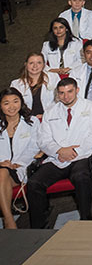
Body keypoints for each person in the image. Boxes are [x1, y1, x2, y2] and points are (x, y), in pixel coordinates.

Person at [29, 78, 92, 228]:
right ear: (58, 94)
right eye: (62, 93)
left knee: (80, 177)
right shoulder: (51, 112)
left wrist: (75, 150)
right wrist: (59, 151)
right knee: (34, 183)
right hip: (57, 158)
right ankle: (39, 225)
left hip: (81, 156)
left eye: (70, 92)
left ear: (77, 90)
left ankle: (86, 218)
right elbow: (43, 139)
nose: (66, 96)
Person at [0, 88, 39, 229]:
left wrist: (17, 163)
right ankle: (9, 219)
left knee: (2, 173)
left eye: (15, 101)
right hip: (2, 166)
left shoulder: (32, 122)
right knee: (2, 171)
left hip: (19, 167)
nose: (11, 106)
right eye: (6, 103)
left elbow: (34, 147)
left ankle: (8, 221)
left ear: (21, 102)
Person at [10, 53, 57, 118]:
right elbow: (13, 106)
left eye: (39, 63)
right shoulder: (16, 84)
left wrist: (46, 116)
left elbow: (60, 100)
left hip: (50, 118)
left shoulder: (53, 78)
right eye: (31, 63)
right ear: (26, 65)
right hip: (27, 120)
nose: (35, 66)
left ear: (44, 65)